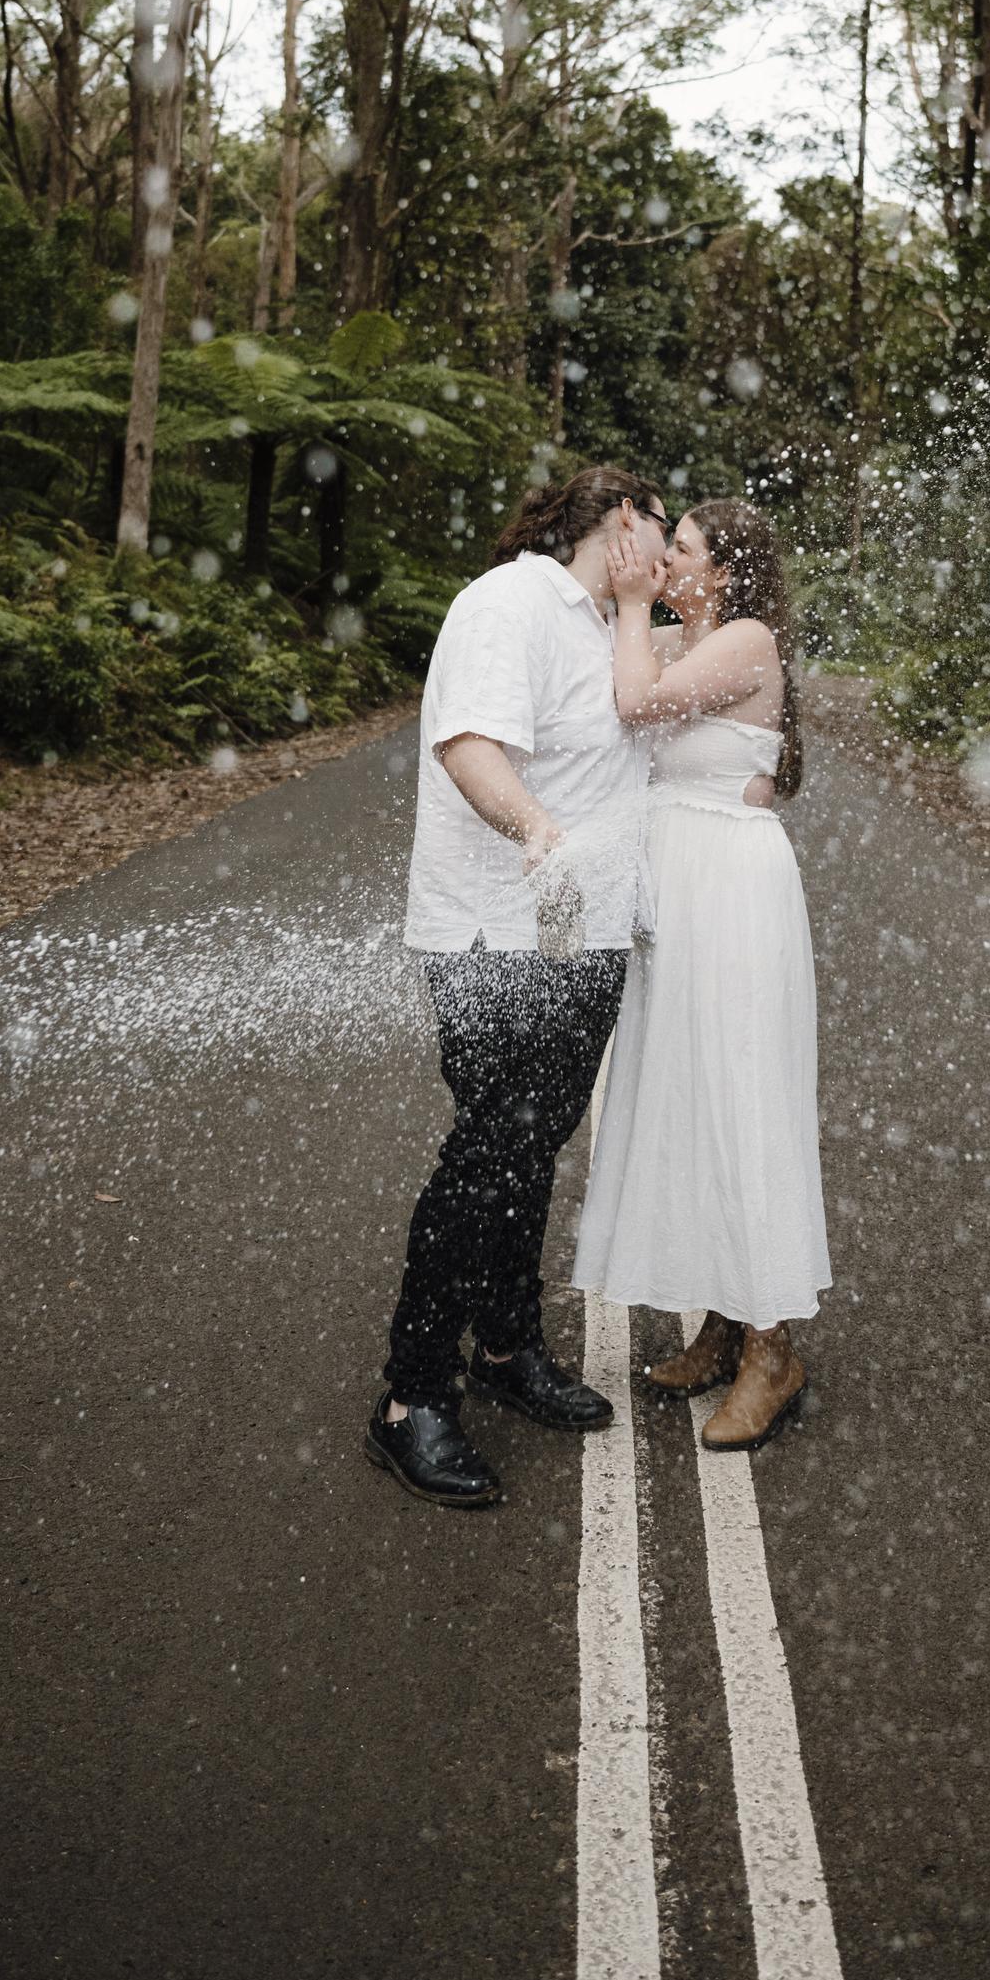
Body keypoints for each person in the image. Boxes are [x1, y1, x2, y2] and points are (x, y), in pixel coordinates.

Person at [366, 464, 674, 1511]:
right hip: (494, 928)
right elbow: (467, 746)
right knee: (487, 1150)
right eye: (659, 527)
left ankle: (502, 1348)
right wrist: (538, 834)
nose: (669, 550)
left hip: (582, 937)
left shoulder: (609, 625)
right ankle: (410, 1398)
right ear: (621, 519)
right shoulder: (507, 601)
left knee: (529, 1147)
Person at [574, 499, 831, 1449]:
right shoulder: (691, 638)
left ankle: (774, 1351)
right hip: (676, 899)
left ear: (723, 572)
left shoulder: (747, 638)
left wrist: (637, 607)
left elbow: (635, 703)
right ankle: (722, 1323)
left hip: (729, 892)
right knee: (686, 1097)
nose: (662, 558)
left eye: (679, 547)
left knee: (739, 1098)